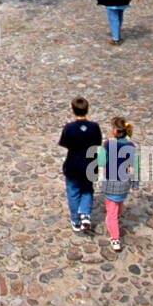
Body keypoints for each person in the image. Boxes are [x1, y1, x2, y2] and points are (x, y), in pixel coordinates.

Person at [58, 96, 102, 234]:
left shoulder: (69, 128)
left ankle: (76, 220)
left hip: (73, 165)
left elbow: (65, 143)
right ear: (87, 110)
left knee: (73, 192)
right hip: (90, 165)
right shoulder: (94, 127)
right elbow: (98, 142)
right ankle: (85, 213)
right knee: (87, 190)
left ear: (72, 111)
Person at [95, 116, 139, 252]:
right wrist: (135, 182)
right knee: (119, 202)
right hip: (124, 183)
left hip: (111, 182)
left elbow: (101, 161)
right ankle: (118, 213)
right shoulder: (131, 146)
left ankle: (115, 238)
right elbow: (134, 166)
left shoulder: (108, 144)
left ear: (114, 130)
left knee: (111, 213)